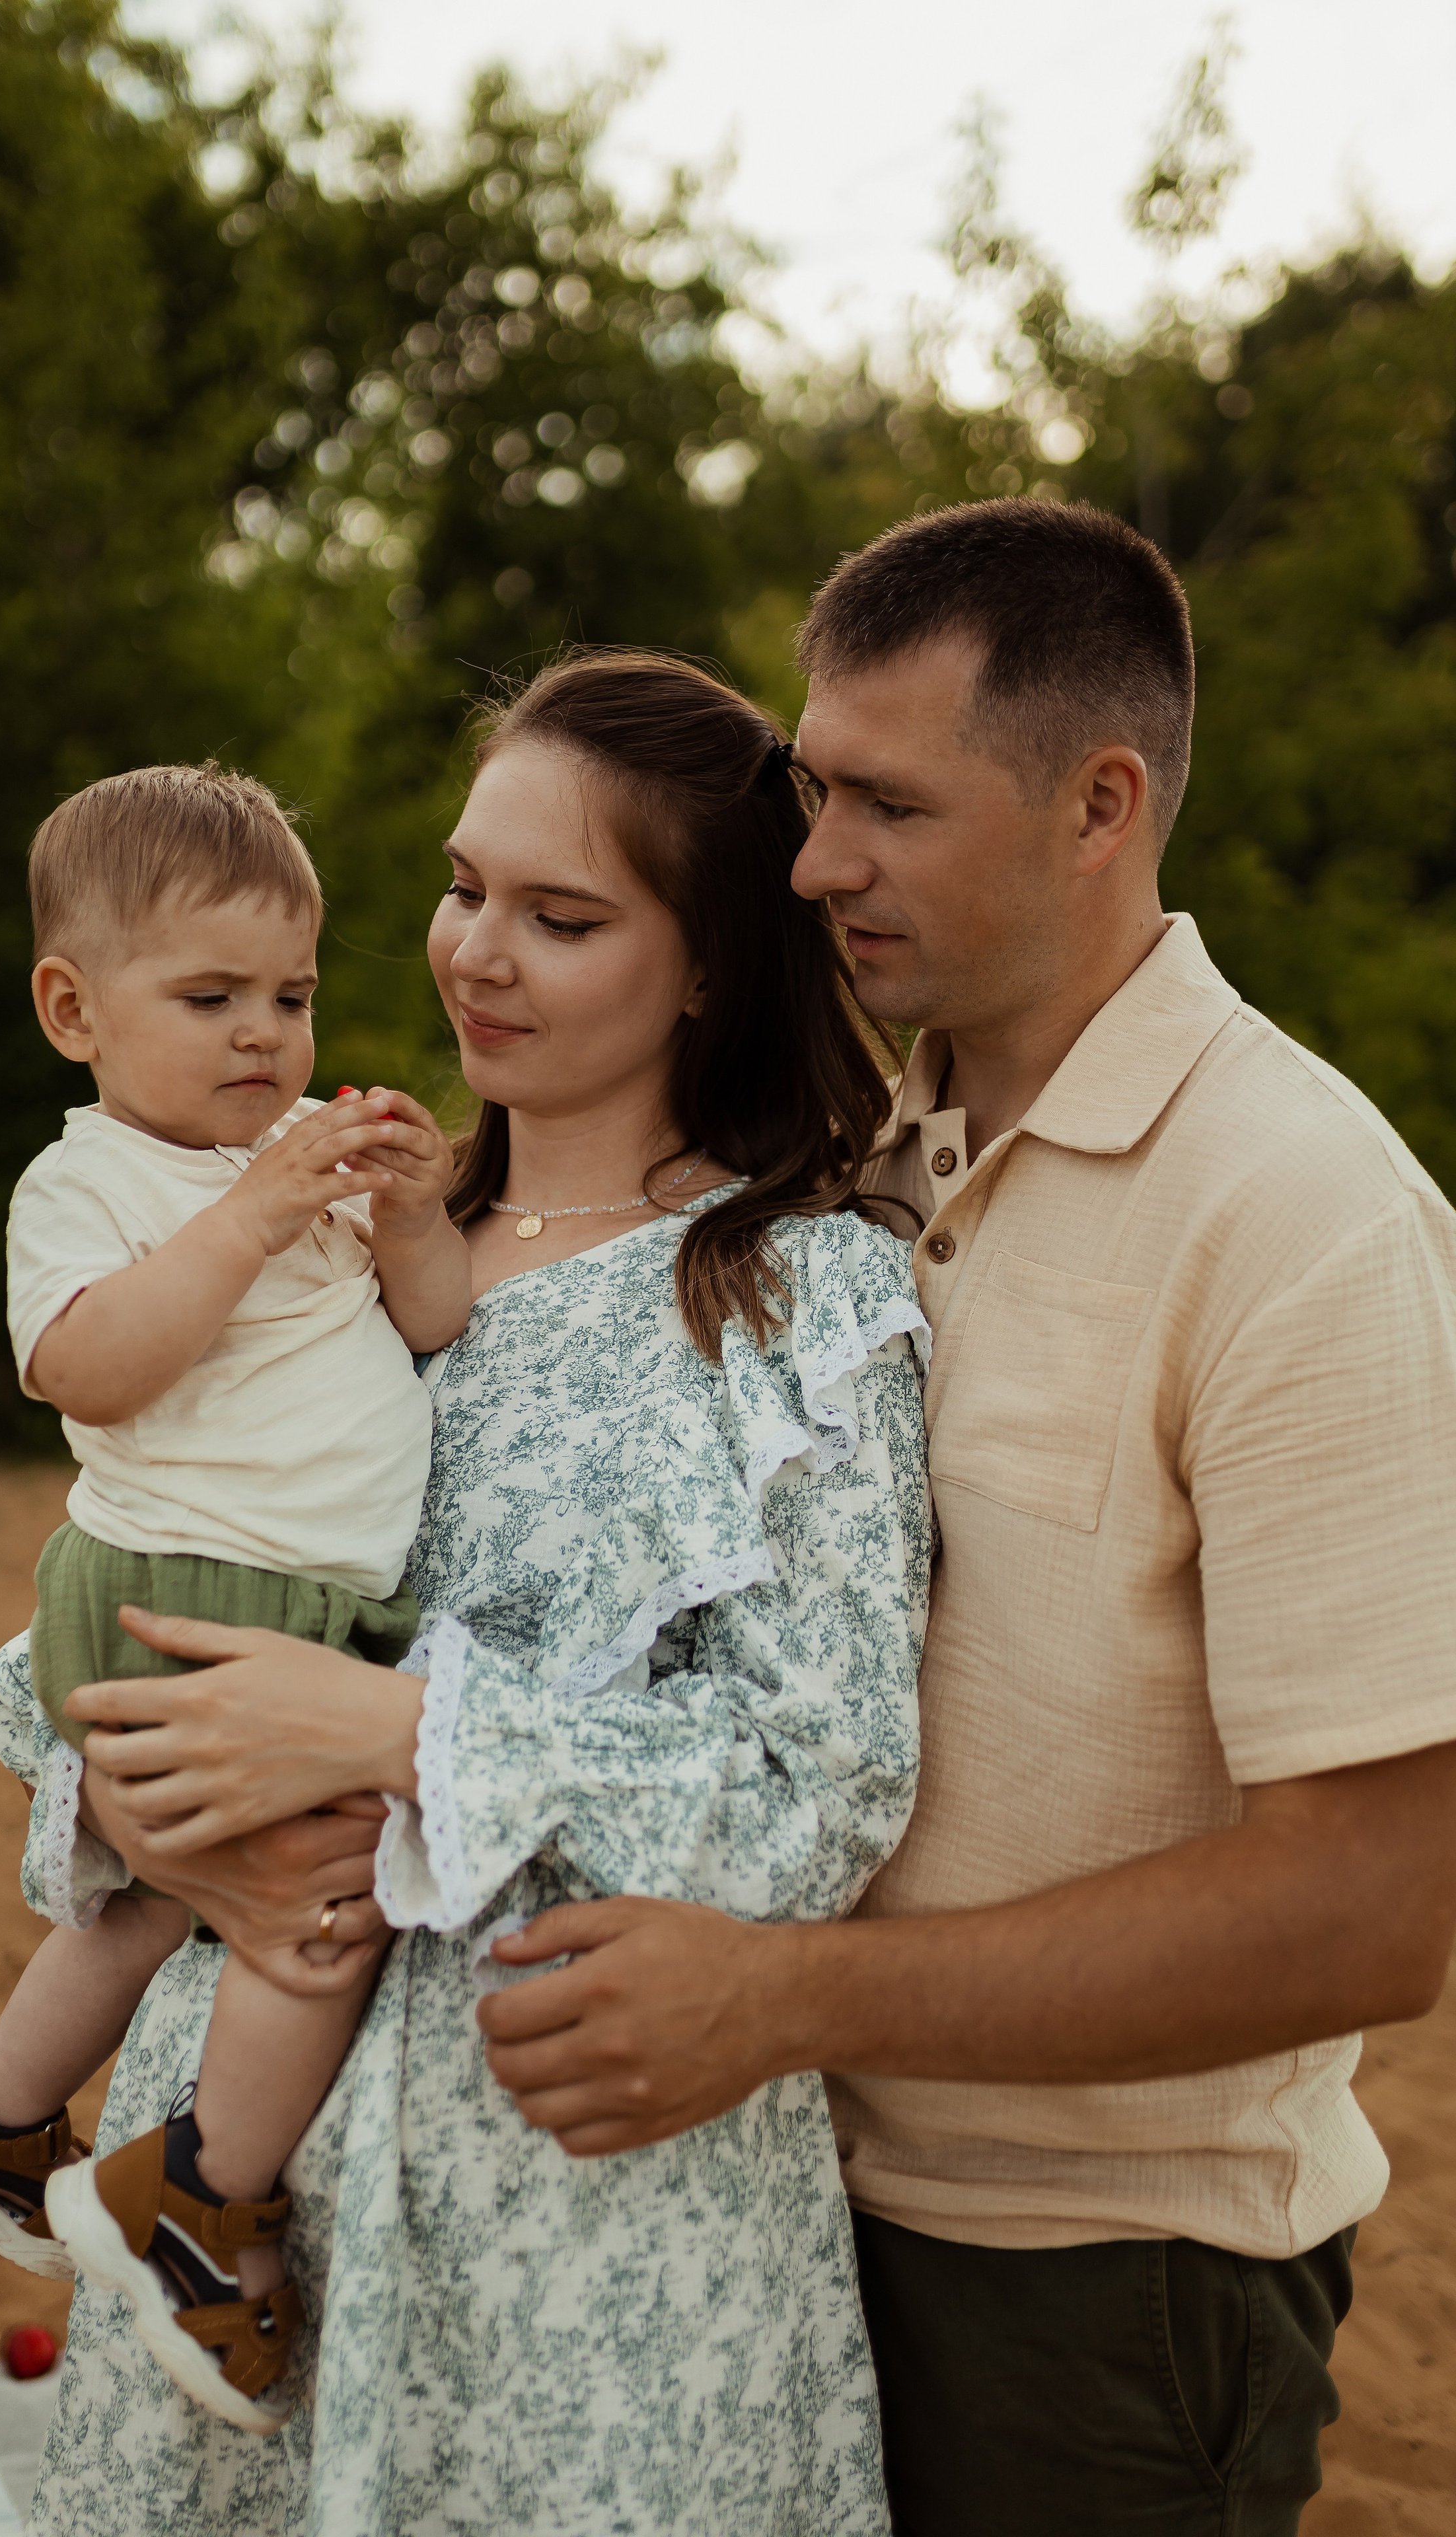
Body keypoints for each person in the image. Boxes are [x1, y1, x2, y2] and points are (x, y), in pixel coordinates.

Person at [468, 501, 1456, 2534]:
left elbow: (1374, 1906)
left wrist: (778, 1998)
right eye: (817, 793)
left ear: (1102, 805)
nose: (818, 857)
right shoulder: (846, 1171)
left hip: (1094, 2297)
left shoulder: (1308, 1221)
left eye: (887, 807)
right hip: (757, 2212)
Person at [0, 654, 932, 2536]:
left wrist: (405, 1729)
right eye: (464, 886)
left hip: (587, 2222)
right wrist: (142, 1796)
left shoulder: (792, 1304)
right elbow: (121, 1616)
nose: (477, 953)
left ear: (715, 961)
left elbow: (827, 1787)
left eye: (561, 916)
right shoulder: (317, 1232)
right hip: (232, 2195)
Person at [0, 762, 470, 2430]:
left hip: (267, 1608)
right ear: (76, 1010)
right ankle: (202, 2200)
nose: (263, 1034)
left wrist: (409, 1220)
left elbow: (429, 1331)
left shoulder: (290, 1161)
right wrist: (253, 1217)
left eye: (289, 992)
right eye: (208, 997)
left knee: (140, 1897)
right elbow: (88, 1367)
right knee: (318, 1913)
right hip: (190, 1596)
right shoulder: (97, 1186)